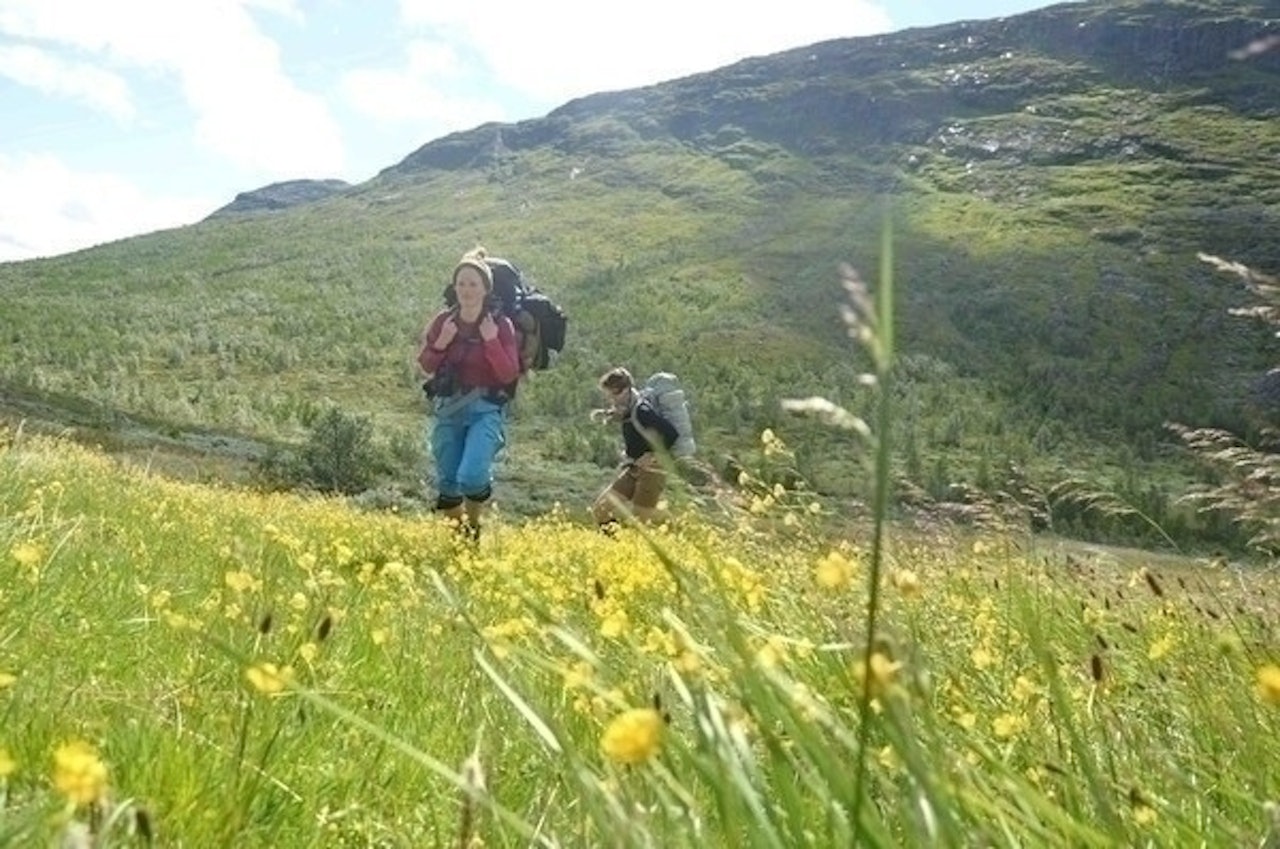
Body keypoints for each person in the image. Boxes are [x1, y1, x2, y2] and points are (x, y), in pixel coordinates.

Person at [418, 247, 521, 543]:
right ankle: (460, 542)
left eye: (473, 284)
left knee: (472, 475)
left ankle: (473, 528)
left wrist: (491, 341)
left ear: (486, 288)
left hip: (485, 408)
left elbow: (507, 374)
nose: (466, 290)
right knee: (449, 482)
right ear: (454, 287)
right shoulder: (443, 321)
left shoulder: (500, 325)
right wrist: (442, 343)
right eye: (461, 283)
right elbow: (426, 364)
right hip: (448, 408)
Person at [590, 366, 680, 530]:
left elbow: (672, 433)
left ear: (626, 390)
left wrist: (653, 454)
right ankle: (616, 548)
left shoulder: (642, 410)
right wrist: (609, 414)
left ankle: (672, 535)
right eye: (610, 395)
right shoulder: (629, 408)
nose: (612, 399)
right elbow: (628, 418)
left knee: (639, 526)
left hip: (652, 471)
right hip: (634, 468)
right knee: (600, 510)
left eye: (615, 394)